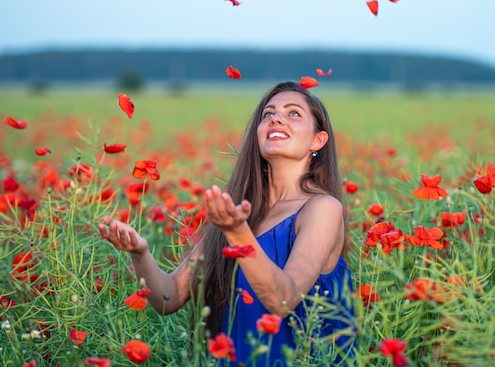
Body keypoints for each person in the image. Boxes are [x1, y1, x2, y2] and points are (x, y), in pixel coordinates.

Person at [98, 81, 356, 366]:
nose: (276, 118)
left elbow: (282, 300)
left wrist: (237, 233)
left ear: (317, 141)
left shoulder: (322, 209)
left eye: (293, 113)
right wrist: (140, 253)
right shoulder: (238, 212)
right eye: (267, 114)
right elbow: (167, 298)